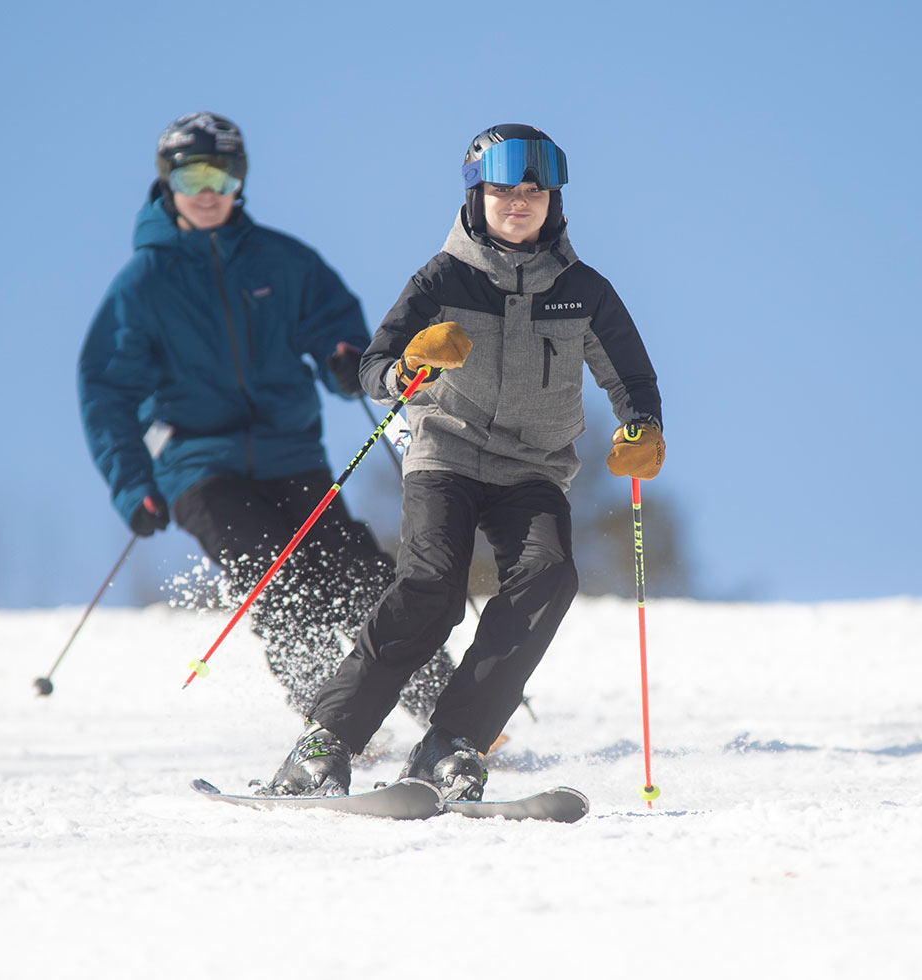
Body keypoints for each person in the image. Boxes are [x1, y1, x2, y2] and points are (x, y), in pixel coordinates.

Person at [261, 124, 665, 801]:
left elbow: (633, 379)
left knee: (548, 577)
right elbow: (373, 367)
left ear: (553, 202)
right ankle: (324, 743)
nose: (519, 202)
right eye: (503, 190)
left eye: (534, 191)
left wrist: (642, 427)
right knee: (431, 589)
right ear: (475, 197)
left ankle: (450, 746)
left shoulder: (583, 290)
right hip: (444, 454)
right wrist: (412, 366)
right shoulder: (441, 278)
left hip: (532, 470)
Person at [78, 111, 452, 721]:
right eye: (192, 176)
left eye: (221, 177)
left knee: (356, 573)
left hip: (291, 452)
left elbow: (341, 326)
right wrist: (132, 486)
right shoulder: (142, 285)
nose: (207, 192)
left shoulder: (283, 262)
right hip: (199, 467)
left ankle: (445, 706)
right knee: (275, 578)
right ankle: (329, 718)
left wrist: (347, 357)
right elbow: (105, 392)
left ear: (239, 183)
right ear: (167, 183)